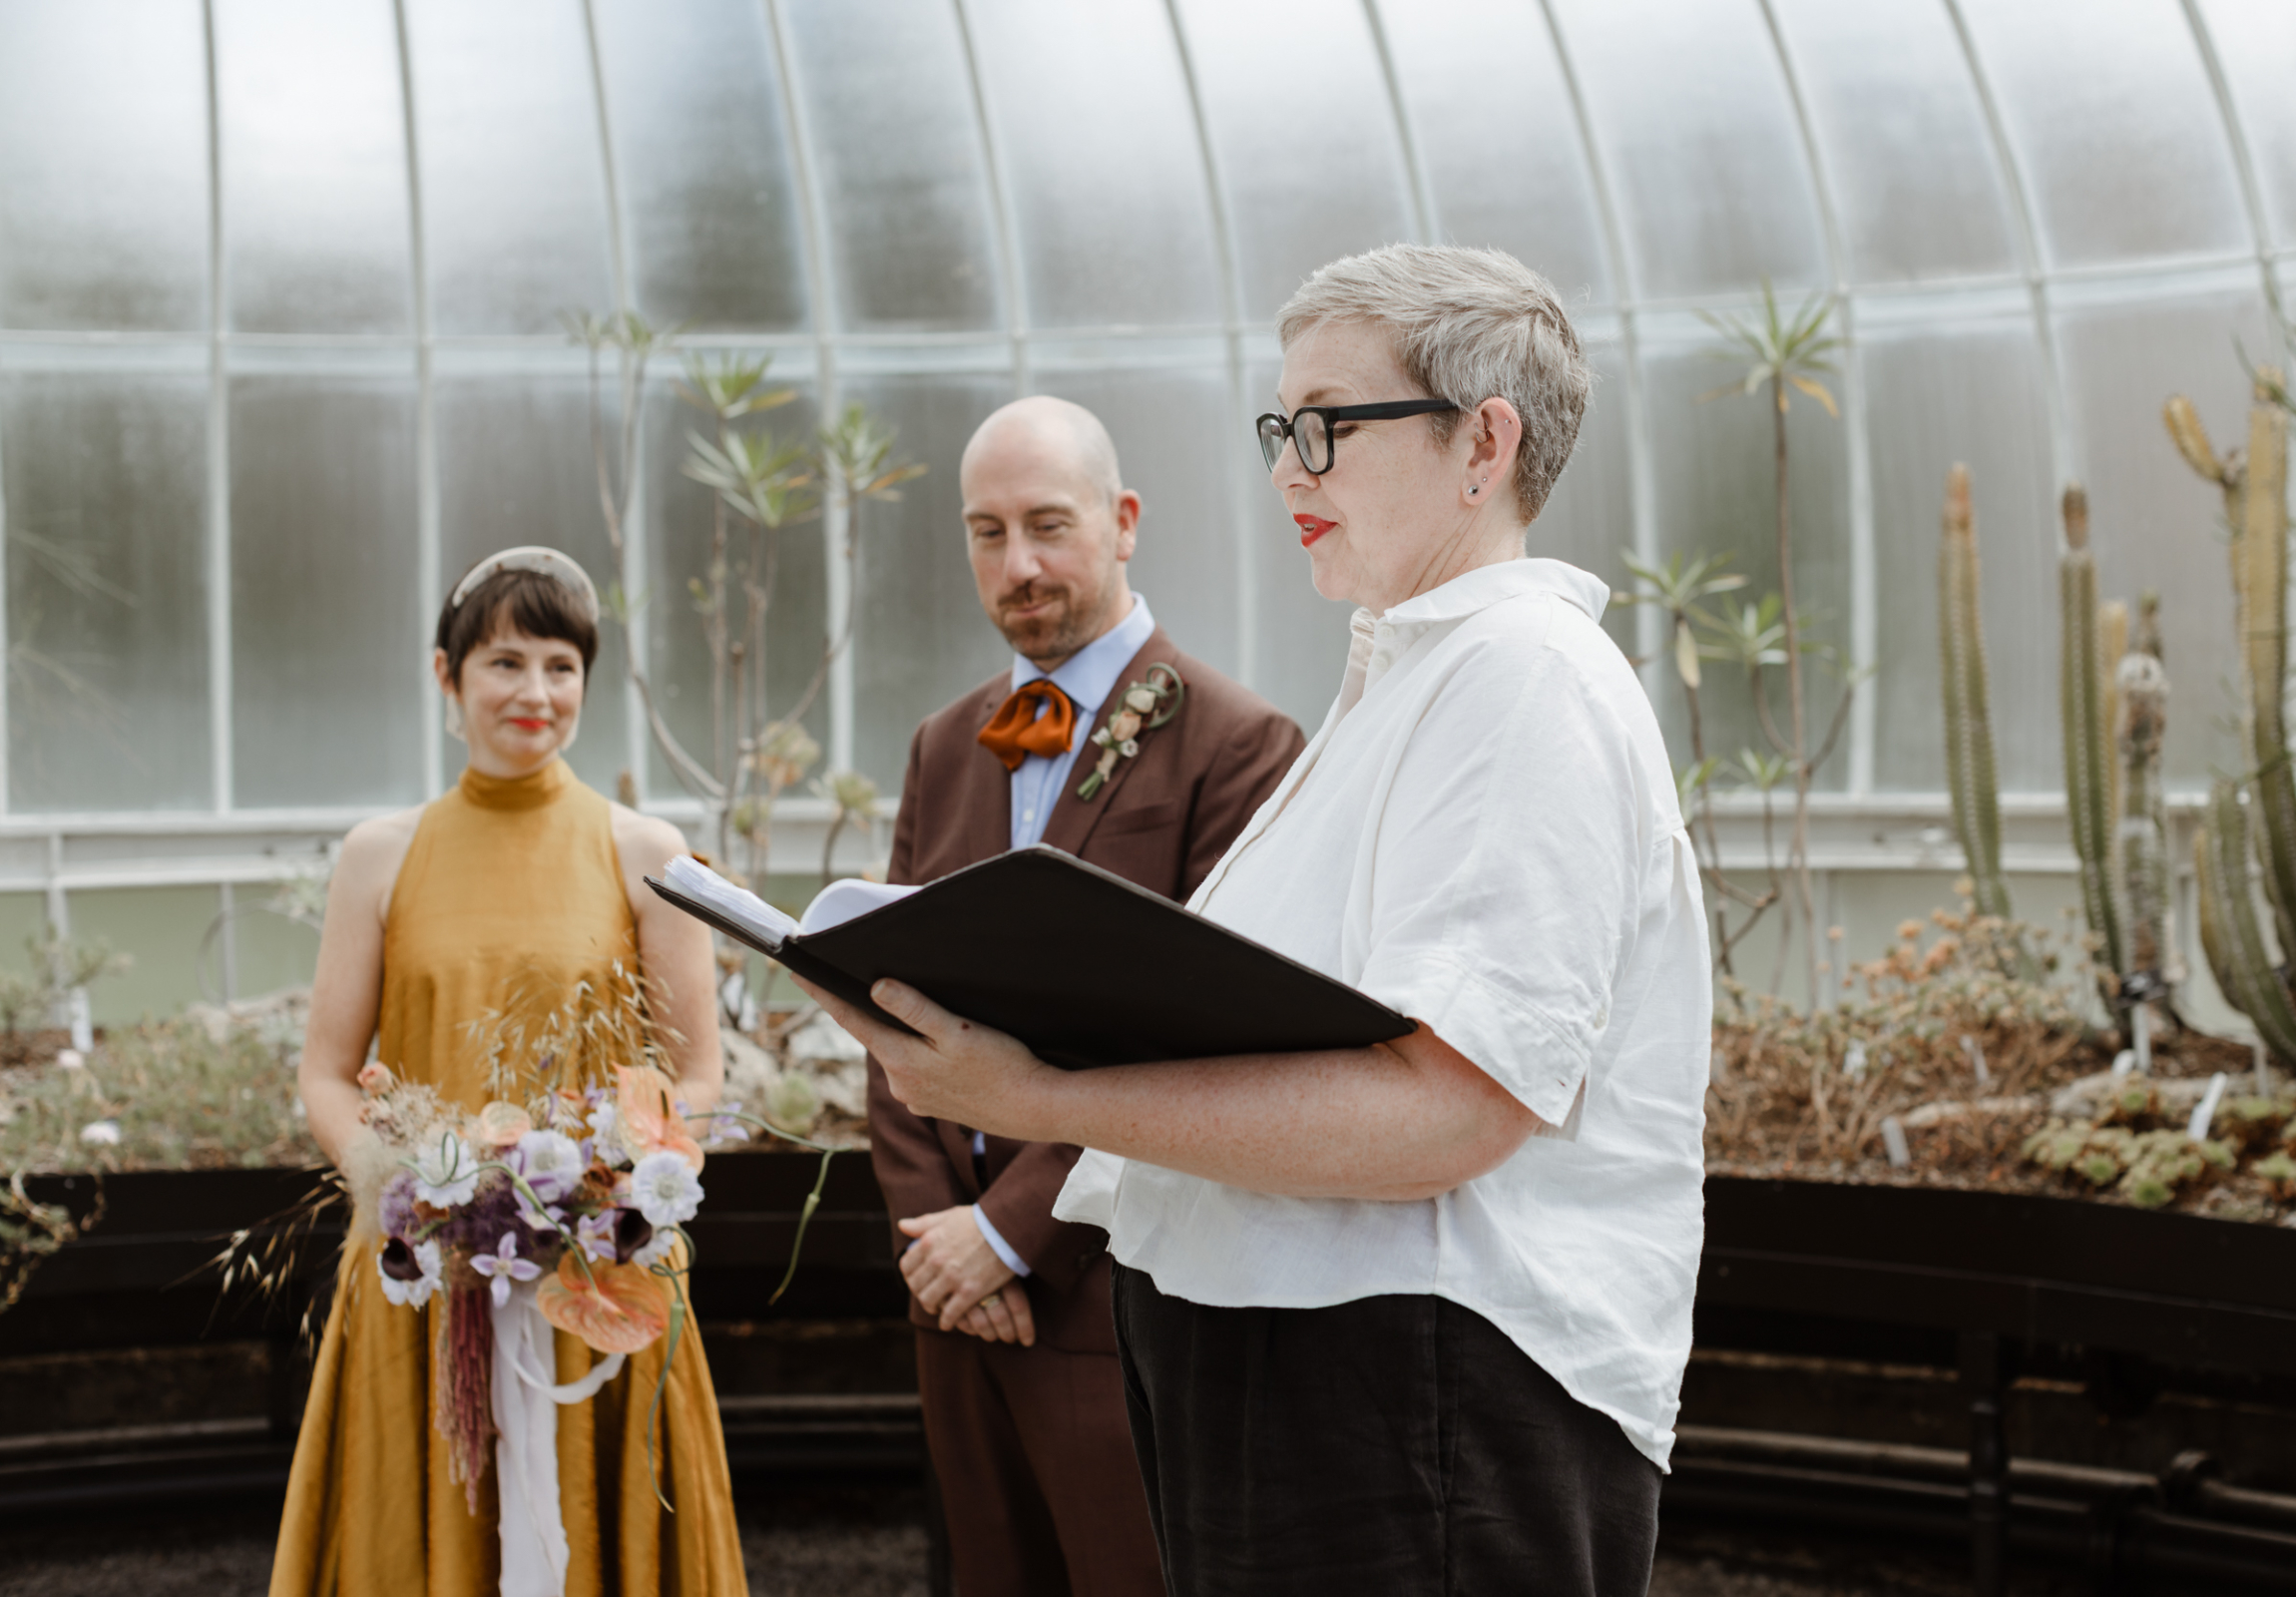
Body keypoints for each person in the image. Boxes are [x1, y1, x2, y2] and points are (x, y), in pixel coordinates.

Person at [809, 248, 1711, 1595]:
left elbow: (1449, 1113)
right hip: (1320, 1376)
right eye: (1281, 429)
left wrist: (1040, 1097)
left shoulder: (1523, 681)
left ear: (1485, 444)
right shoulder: (1414, 680)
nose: (1290, 471)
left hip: (1414, 1394)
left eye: (1331, 426)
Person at [866, 396, 1306, 1597]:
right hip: (950, 1298)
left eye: (1048, 525)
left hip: (1122, 1297)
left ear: (1123, 522)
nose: (1018, 564)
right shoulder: (942, 745)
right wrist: (937, 1239)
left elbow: (1208, 1038)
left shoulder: (1240, 743)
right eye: (987, 531)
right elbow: (882, 1001)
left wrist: (1009, 1234)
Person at [273, 548, 747, 1596]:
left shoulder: (647, 852)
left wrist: (605, 1187)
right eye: (505, 662)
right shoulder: (379, 855)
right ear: (447, 676)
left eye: (561, 665)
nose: (536, 691)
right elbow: (328, 1074)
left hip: (599, 1273)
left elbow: (698, 1076)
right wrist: (409, 1196)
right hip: (424, 1275)